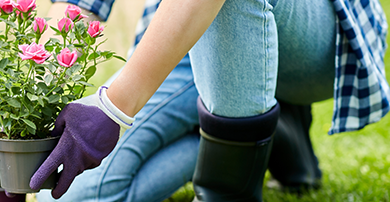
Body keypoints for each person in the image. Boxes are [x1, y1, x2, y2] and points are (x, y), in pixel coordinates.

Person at [26, 0, 389, 201]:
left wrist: (113, 108)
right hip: (187, 35)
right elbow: (78, 7)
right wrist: (34, 103)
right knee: (79, 198)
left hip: (313, 31)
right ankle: (266, 126)